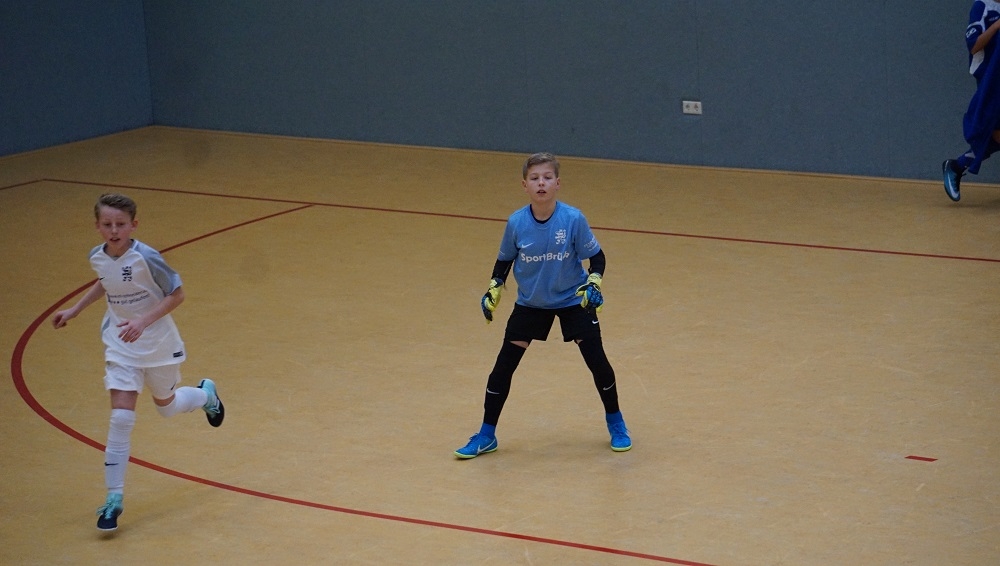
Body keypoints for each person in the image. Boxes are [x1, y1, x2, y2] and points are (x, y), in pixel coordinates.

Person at [52, 193, 224, 532]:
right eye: (107, 224)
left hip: (158, 344)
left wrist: (143, 322)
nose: (114, 230)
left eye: (121, 224)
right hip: (120, 344)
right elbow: (106, 282)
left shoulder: (147, 257)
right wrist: (75, 309)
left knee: (167, 408)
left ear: (134, 225)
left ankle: (206, 396)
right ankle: (113, 499)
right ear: (97, 226)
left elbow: (177, 294)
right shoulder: (97, 257)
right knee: (120, 417)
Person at [454, 152, 631, 459]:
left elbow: (597, 258)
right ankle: (486, 435)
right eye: (534, 178)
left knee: (597, 362)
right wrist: (494, 288)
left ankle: (617, 423)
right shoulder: (516, 223)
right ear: (525, 185)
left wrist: (594, 283)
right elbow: (504, 261)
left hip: (573, 299)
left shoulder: (573, 219)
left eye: (547, 178)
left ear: (557, 183)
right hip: (531, 303)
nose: (541, 183)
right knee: (503, 368)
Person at [944, 0, 1000, 201]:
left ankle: (957, 166)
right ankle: (957, 166)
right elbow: (974, 46)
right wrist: (996, 26)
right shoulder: (981, 7)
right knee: (992, 132)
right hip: (989, 80)